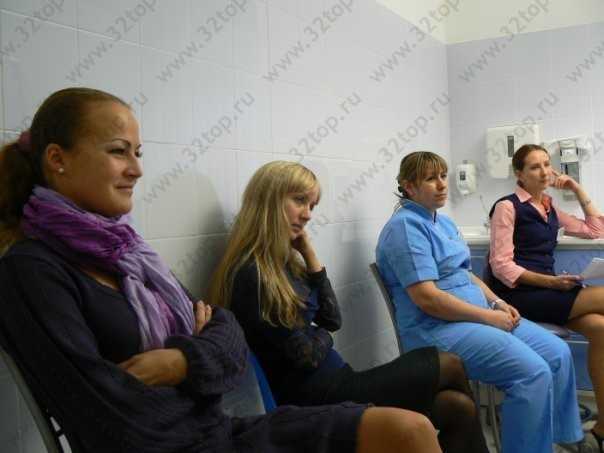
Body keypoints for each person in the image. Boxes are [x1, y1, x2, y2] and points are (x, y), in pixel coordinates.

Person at [0, 88, 443, 453]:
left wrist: (181, 362)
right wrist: (201, 363)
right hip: (179, 444)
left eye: (138, 152)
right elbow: (105, 410)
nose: (137, 169)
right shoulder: (31, 271)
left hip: (220, 431)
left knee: (411, 430)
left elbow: (231, 336)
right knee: (438, 396)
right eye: (119, 152)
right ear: (58, 159)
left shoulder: (132, 257)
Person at [209, 160, 489, 453]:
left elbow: (332, 319)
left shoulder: (284, 264)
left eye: (311, 206)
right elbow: (306, 356)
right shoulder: (252, 275)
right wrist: (323, 335)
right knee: (449, 363)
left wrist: (309, 254)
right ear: (269, 201)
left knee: (457, 407)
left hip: (339, 379)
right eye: (299, 201)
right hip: (318, 397)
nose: (307, 214)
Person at [375, 151, 585, 453]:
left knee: (558, 353)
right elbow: (428, 299)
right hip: (435, 329)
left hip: (477, 317)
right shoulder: (405, 228)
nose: (442, 185)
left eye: (443, 176)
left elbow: (466, 275)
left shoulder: (443, 223)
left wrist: (497, 302)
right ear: (409, 187)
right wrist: (489, 318)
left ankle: (556, 440)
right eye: (431, 179)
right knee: (533, 373)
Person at [487, 143, 604, 450]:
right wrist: (551, 282)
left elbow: (596, 229)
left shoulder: (550, 207)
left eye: (546, 164)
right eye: (534, 166)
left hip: (549, 291)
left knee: (601, 329)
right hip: (518, 295)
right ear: (519, 174)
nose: (544, 172)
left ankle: (602, 430)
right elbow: (501, 267)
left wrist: (576, 188)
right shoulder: (507, 207)